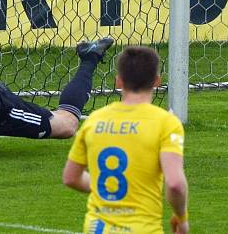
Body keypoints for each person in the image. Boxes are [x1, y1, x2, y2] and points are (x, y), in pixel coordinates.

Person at [62, 46, 188, 234]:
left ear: (118, 81)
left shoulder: (94, 120)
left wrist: (109, 185)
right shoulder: (166, 123)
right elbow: (175, 184)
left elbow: (70, 177)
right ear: (156, 81)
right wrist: (182, 217)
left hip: (96, 228)